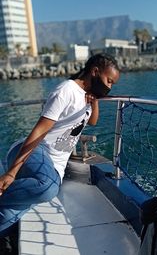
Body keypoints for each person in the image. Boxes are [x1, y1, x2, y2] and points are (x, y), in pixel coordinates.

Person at [0, 53, 120, 237]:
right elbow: (39, 131)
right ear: (95, 72)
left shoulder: (87, 96)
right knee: (48, 187)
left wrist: (94, 103)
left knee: (8, 220)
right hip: (36, 151)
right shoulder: (67, 91)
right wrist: (12, 172)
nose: (110, 87)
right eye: (109, 81)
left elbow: (93, 121)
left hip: (53, 165)